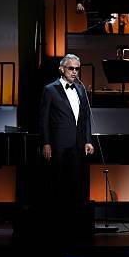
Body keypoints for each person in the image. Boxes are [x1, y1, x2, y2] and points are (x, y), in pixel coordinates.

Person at [39, 54, 94, 239]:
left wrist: (88, 140)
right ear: (62, 69)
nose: (75, 72)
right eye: (71, 68)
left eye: (77, 69)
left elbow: (85, 119)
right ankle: (58, 228)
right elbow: (44, 119)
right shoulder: (50, 89)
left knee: (77, 186)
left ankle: (75, 227)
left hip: (78, 146)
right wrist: (46, 143)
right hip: (59, 145)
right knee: (60, 185)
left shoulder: (81, 90)